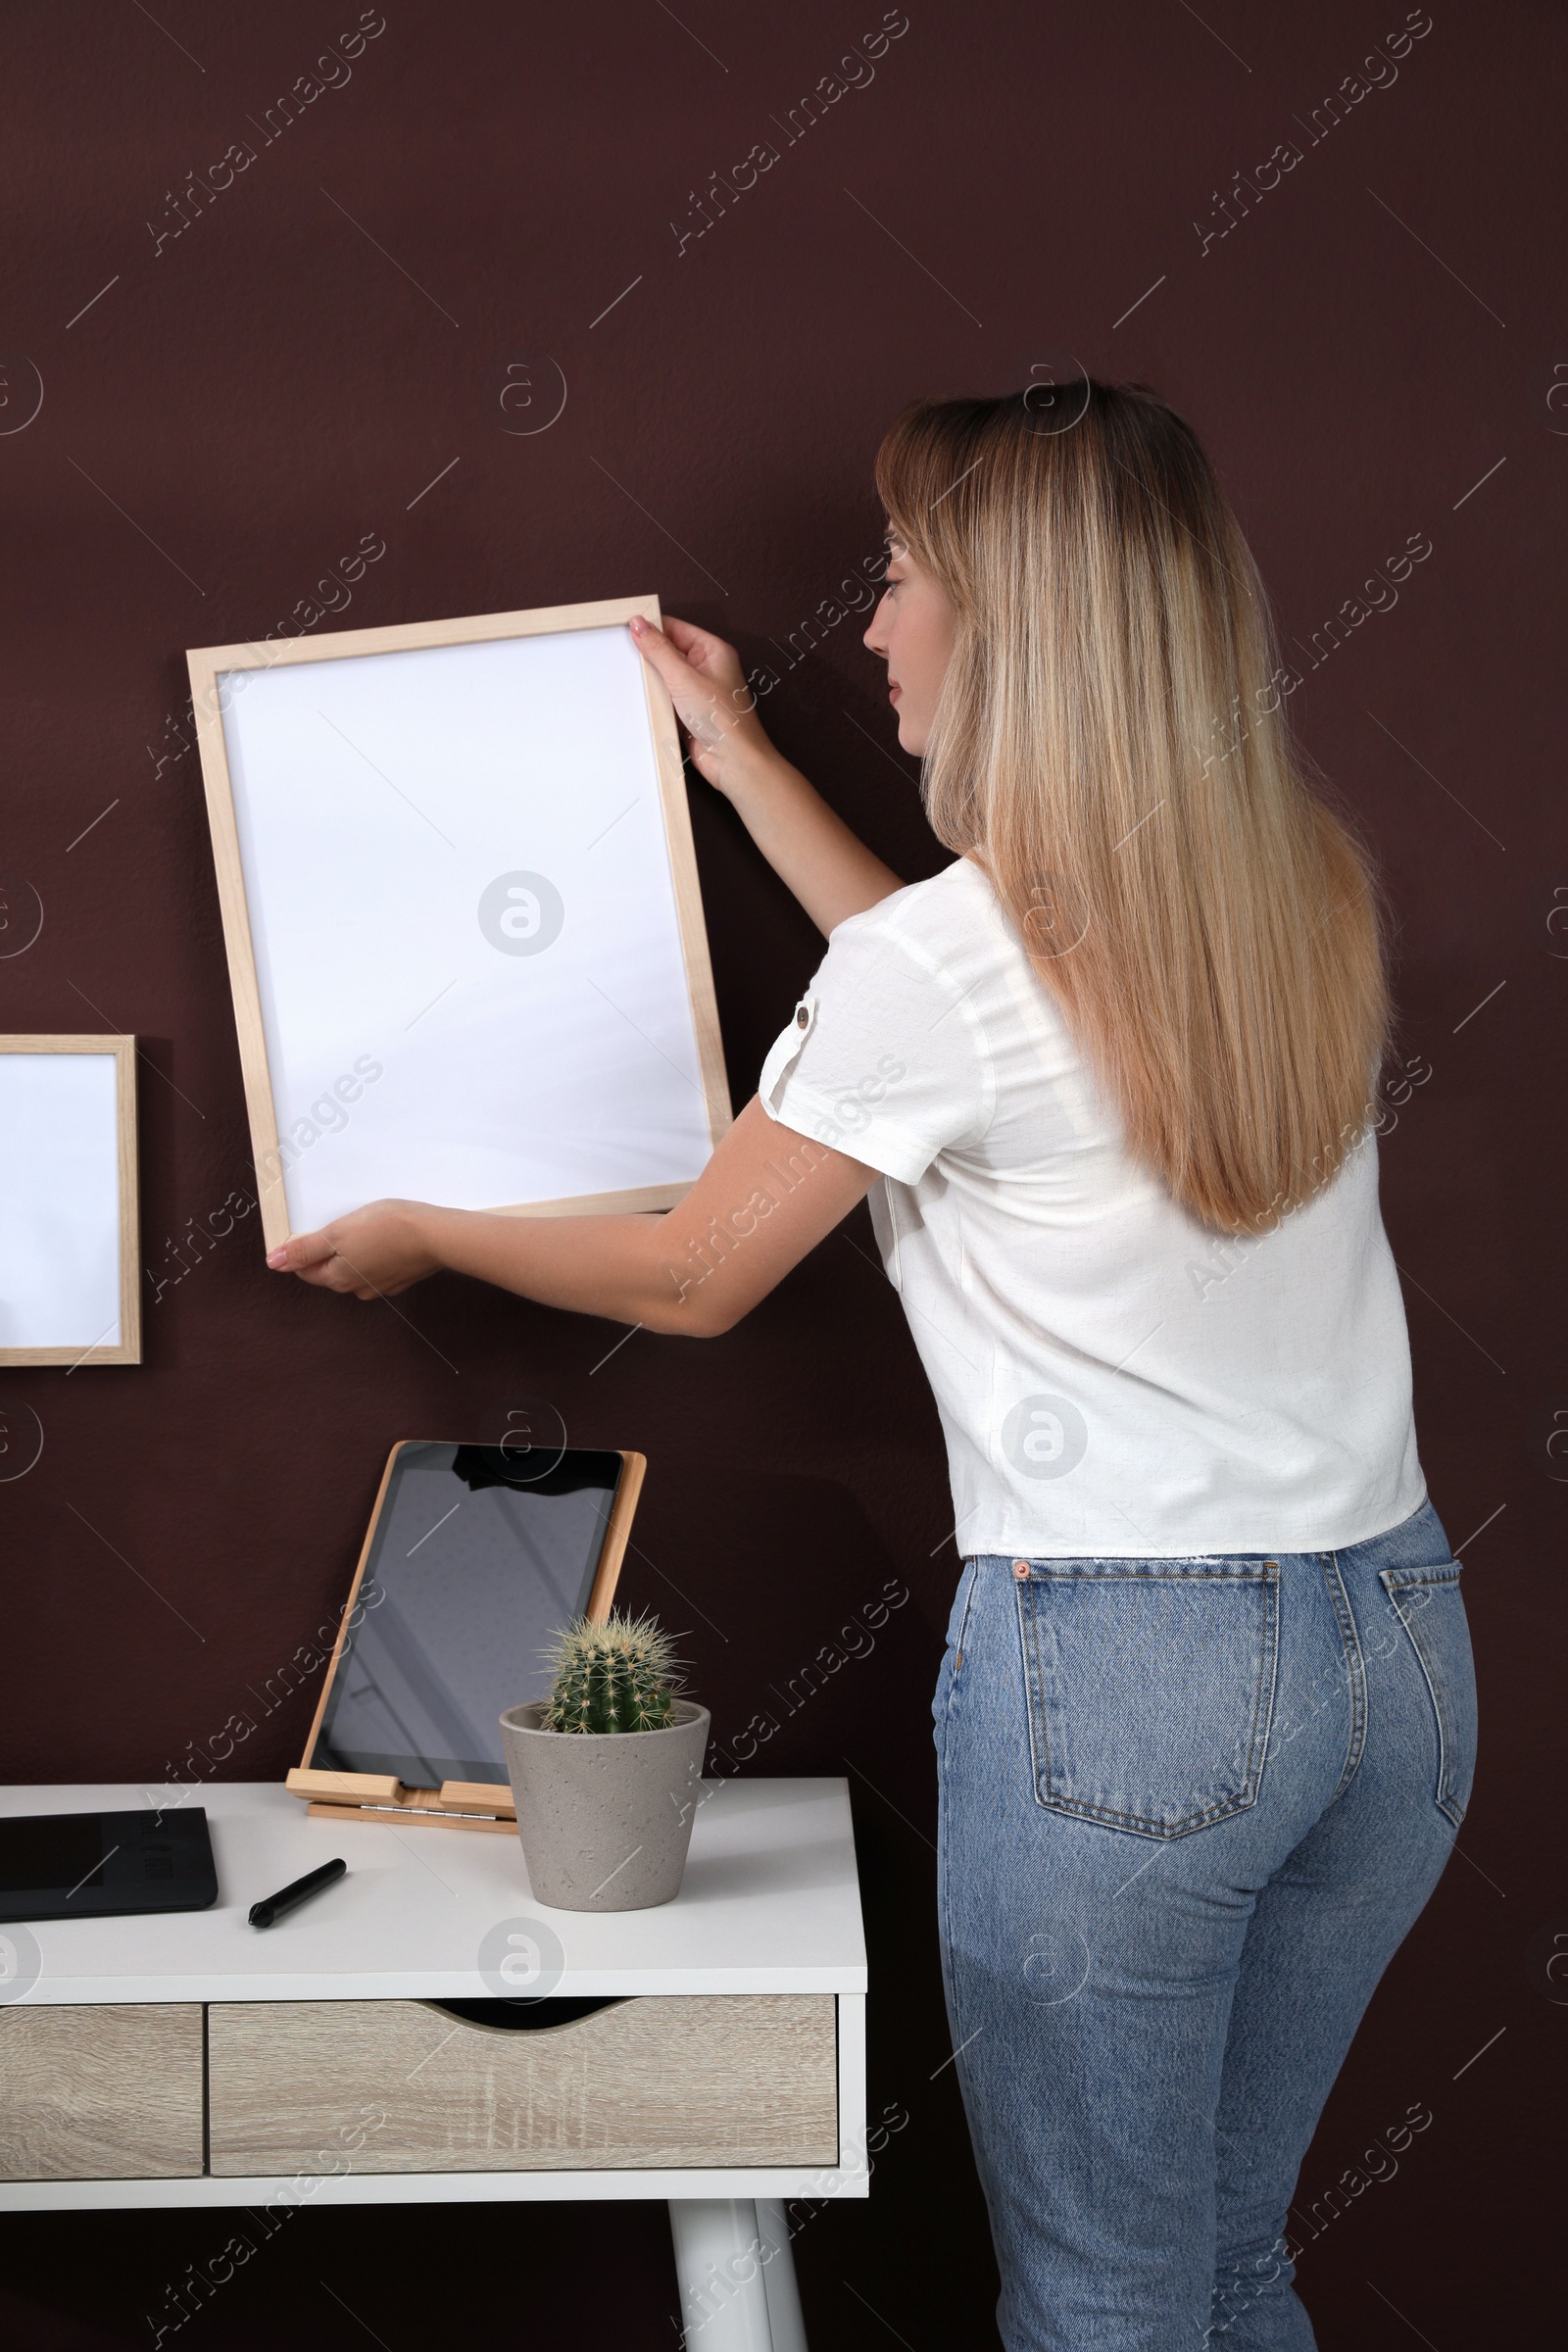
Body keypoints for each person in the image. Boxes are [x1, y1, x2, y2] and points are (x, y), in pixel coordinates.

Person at [268, 384, 1477, 2350]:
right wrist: (740, 759)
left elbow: (692, 1270)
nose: (876, 626)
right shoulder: (1281, 891)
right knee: (1223, 2268)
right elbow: (955, 1010)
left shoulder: (949, 970)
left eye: (907, 580)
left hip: (1129, 1692)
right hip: (1393, 1657)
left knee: (1099, 2302)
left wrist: (422, 1225)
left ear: (1015, 628)